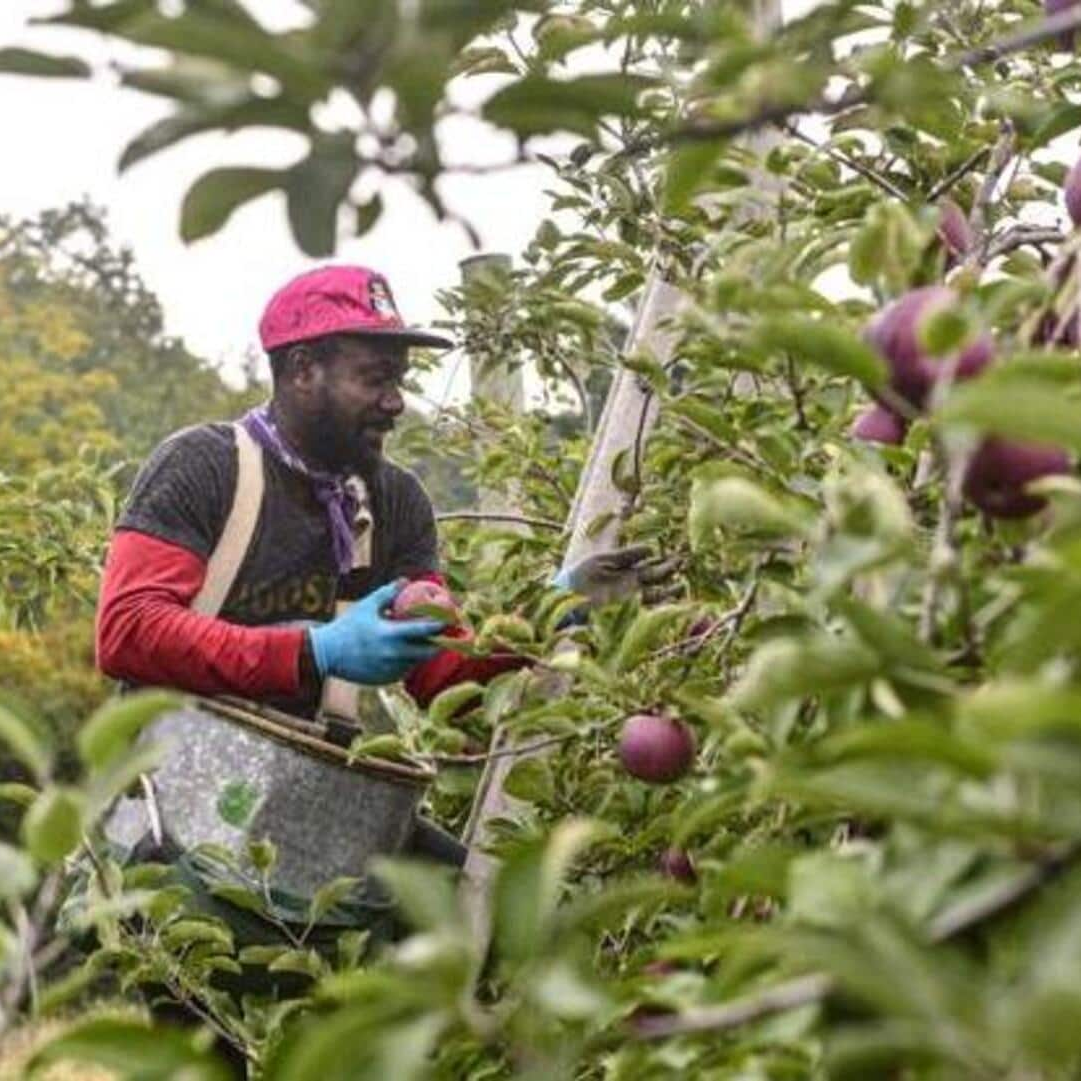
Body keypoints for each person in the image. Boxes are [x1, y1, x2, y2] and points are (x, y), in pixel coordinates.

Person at [90, 263, 666, 1072]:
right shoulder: (203, 468)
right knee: (205, 1054)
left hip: (312, 822)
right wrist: (313, 649)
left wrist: (555, 609)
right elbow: (126, 631)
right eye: (374, 377)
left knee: (485, 917)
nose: (395, 398)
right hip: (180, 824)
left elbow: (450, 682)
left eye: (399, 378)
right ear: (301, 371)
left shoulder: (391, 505)